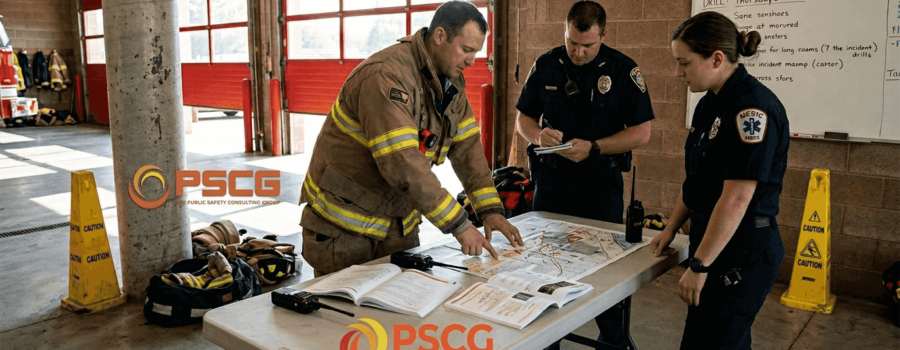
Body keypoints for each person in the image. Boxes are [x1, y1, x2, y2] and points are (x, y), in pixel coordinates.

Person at [299, 1, 523, 277]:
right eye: (466, 50)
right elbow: (403, 163)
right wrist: (460, 225)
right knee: (342, 316)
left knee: (399, 312)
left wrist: (490, 211)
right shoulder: (386, 76)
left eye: (476, 52)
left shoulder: (450, 85)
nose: (472, 61)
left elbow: (469, 154)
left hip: (398, 225)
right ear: (439, 36)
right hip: (344, 228)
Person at [515, 1, 653, 348]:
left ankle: (614, 340)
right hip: (553, 184)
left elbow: (641, 132)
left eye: (587, 45)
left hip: (599, 185)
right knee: (546, 267)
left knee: (608, 271)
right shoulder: (547, 65)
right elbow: (524, 119)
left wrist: (593, 147)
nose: (577, 52)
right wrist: (537, 135)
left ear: (603, 36)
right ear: (565, 31)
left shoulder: (623, 70)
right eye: (571, 42)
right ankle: (546, 340)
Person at [650, 11, 789, 350]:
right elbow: (697, 181)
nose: (678, 72)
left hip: (741, 251)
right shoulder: (709, 103)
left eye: (684, 63)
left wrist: (700, 264)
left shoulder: (751, 110)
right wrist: (671, 227)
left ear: (716, 58)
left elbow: (736, 198)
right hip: (714, 242)